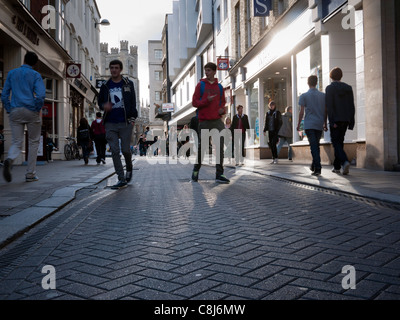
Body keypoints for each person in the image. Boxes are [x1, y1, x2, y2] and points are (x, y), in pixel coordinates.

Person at [1, 51, 46, 182]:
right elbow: (41, 95)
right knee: (33, 142)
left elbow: (4, 95)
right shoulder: (35, 75)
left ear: (24, 59)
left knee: (17, 141)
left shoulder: (12, 73)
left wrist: (9, 108)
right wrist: (36, 107)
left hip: (15, 110)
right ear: (35, 63)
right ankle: (30, 174)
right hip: (31, 110)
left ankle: (10, 159)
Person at [98, 59, 137, 189]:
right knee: (115, 151)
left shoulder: (128, 84)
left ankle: (129, 167)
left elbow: (132, 102)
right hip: (110, 123)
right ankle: (121, 179)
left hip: (125, 122)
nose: (113, 70)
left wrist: (132, 119)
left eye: (116, 68)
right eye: (111, 68)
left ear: (120, 69)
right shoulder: (105, 85)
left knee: (126, 150)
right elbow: (100, 102)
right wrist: (104, 105)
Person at [191, 62, 230, 184]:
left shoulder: (219, 87)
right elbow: (194, 102)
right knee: (202, 148)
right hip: (204, 121)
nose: (206, 73)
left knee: (220, 147)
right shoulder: (200, 85)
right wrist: (205, 101)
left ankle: (219, 174)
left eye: (208, 70)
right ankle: (196, 170)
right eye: (205, 70)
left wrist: (222, 109)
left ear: (214, 71)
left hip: (217, 121)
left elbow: (223, 102)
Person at [326, 67, 355, 175]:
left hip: (336, 120)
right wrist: (351, 121)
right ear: (341, 76)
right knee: (340, 142)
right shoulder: (348, 88)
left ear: (331, 76)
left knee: (336, 143)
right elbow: (352, 105)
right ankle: (337, 166)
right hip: (346, 119)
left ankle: (345, 161)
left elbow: (330, 106)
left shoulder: (330, 88)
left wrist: (331, 121)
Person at [297, 76, 327, 176]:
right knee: (316, 145)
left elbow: (301, 112)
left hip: (309, 124)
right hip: (319, 123)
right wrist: (325, 123)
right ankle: (314, 165)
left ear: (308, 83)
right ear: (317, 82)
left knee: (313, 146)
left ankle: (317, 168)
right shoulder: (323, 95)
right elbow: (325, 111)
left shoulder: (304, 96)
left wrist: (298, 125)